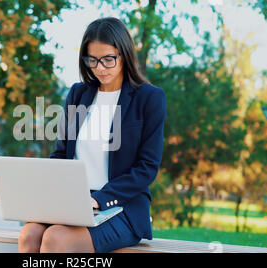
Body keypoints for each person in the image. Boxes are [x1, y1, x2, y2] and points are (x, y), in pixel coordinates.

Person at [18, 17, 166, 253]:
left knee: (56, 239)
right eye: (92, 60)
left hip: (122, 206)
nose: (100, 68)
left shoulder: (148, 98)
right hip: (74, 202)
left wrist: (99, 200)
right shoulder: (78, 94)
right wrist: (43, 192)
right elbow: (61, 155)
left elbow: (146, 168)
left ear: (124, 55)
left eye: (108, 59)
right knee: (29, 234)